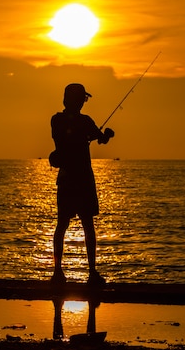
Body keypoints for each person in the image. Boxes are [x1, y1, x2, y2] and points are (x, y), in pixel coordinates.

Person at [50, 83, 114, 286]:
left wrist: (99, 136)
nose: (83, 103)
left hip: (68, 178)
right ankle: (91, 273)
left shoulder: (57, 120)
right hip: (81, 179)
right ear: (78, 100)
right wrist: (106, 136)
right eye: (82, 99)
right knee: (87, 226)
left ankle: (58, 272)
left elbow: (94, 138)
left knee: (63, 225)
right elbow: (100, 139)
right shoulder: (80, 121)